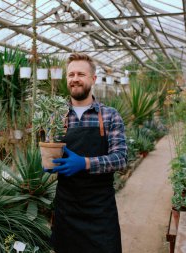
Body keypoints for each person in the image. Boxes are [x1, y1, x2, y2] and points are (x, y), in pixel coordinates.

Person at [44, 53, 128, 253]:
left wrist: (85, 163)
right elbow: (49, 148)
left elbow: (121, 159)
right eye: (71, 74)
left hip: (99, 209)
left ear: (93, 79)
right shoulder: (57, 116)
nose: (75, 79)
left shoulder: (109, 116)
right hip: (67, 208)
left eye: (81, 74)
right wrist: (48, 162)